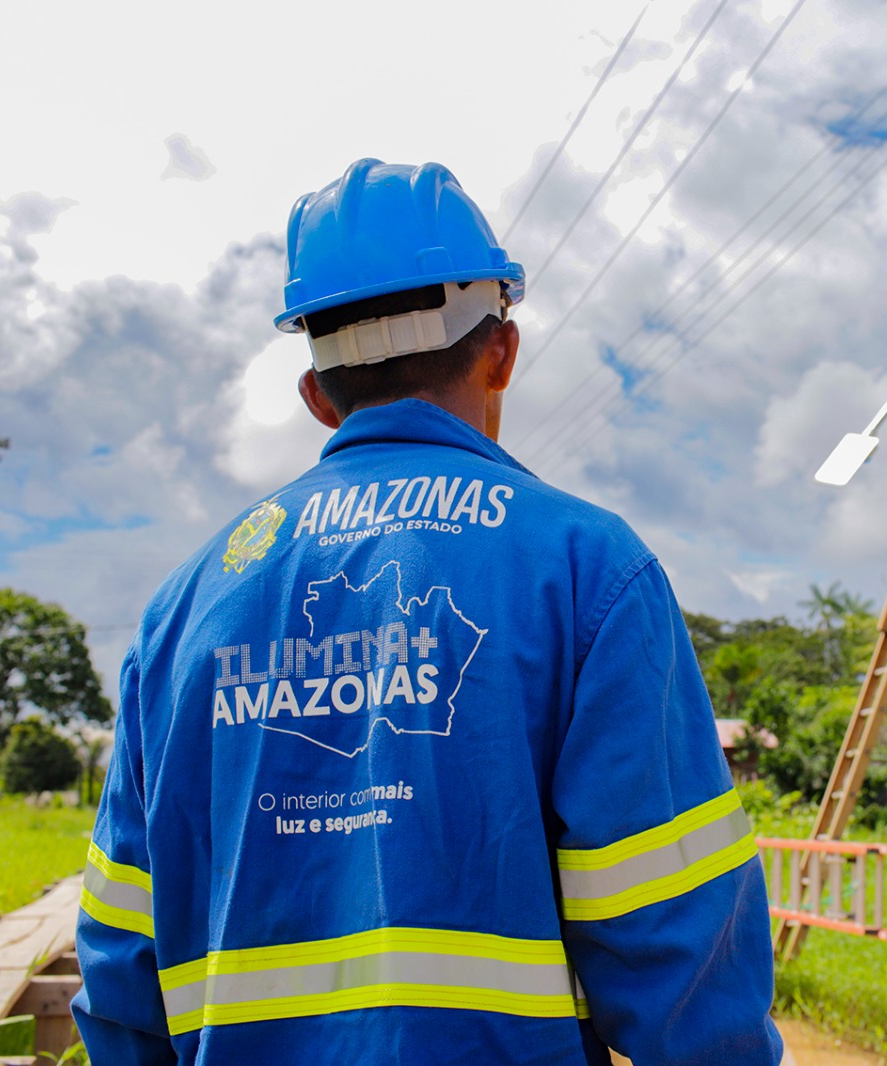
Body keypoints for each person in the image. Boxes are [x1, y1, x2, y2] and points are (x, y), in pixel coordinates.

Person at [72, 159, 784, 1066]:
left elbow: (121, 966)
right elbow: (676, 946)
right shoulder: (586, 569)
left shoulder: (183, 611)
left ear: (317, 397)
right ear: (502, 353)